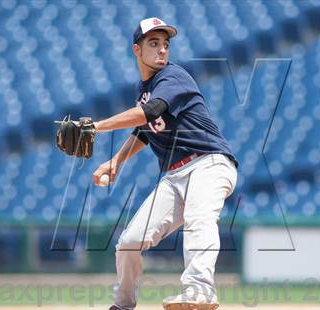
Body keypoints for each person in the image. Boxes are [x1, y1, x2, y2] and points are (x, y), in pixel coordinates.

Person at [92, 17, 238, 310]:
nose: (162, 50)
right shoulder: (143, 89)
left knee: (200, 219)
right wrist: (116, 161)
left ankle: (199, 292)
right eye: (154, 43)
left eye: (166, 44)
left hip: (209, 163)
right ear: (137, 50)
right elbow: (144, 130)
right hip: (174, 176)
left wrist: (96, 127)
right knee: (129, 243)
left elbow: (150, 112)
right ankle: (122, 305)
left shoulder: (173, 77)